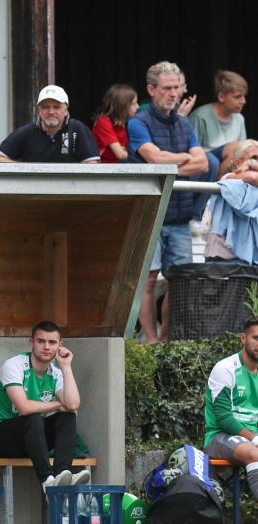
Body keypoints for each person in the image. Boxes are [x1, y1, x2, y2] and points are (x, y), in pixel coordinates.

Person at [128, 61, 210, 344]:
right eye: (167, 88)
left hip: (179, 219)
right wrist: (182, 158)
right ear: (151, 89)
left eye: (177, 88)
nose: (173, 93)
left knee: (181, 283)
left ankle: (167, 340)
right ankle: (150, 341)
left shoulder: (185, 123)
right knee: (148, 281)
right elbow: (154, 159)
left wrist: (170, 160)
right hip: (151, 216)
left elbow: (202, 164)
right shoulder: (138, 122)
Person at [0, 321, 90, 493]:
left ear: (60, 345)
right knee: (33, 417)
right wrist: (61, 404)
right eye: (41, 341)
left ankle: (61, 476)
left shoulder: (56, 373)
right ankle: (47, 481)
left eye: (52, 342)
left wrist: (66, 367)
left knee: (67, 417)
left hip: (31, 440)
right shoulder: (14, 365)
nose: (46, 347)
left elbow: (73, 405)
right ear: (31, 342)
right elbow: (23, 407)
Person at [204, 316, 258, 502]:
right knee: (255, 454)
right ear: (243, 338)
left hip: (253, 438)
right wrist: (254, 438)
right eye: (256, 338)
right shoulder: (225, 368)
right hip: (219, 437)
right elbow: (223, 418)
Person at [0, 85, 99, 163]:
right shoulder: (26, 132)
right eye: (46, 107)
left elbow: (92, 165)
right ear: (39, 111)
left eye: (56, 107)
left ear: (66, 110)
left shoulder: (78, 129)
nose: (51, 112)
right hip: (33, 193)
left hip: (69, 191)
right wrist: (23, 170)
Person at [204, 140, 258, 264]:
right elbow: (252, 177)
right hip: (223, 259)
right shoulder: (228, 179)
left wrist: (251, 163)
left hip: (250, 260)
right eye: (254, 158)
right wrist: (251, 164)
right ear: (238, 163)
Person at [189, 70, 248, 176]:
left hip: (232, 169)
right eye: (237, 97)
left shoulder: (239, 119)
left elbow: (244, 151)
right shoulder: (200, 116)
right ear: (221, 97)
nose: (243, 101)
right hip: (206, 168)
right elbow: (191, 151)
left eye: (244, 96)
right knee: (233, 148)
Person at [91, 84, 139, 163]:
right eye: (134, 103)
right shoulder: (103, 122)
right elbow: (120, 155)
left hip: (118, 168)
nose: (138, 107)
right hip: (103, 170)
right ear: (122, 105)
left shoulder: (123, 124)